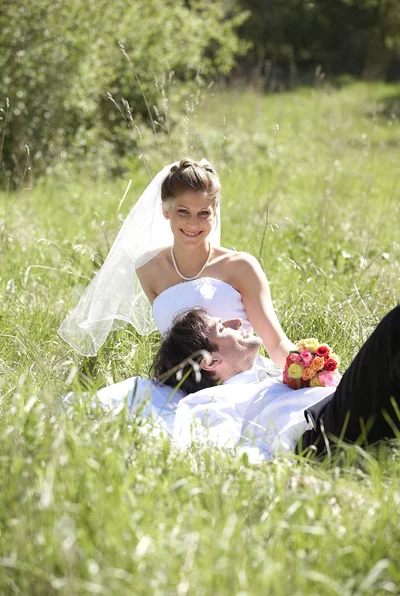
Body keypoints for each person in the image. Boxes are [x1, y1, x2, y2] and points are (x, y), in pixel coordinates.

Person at [58, 158, 294, 368]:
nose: (193, 224)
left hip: (241, 378)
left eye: (204, 213)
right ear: (166, 210)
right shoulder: (148, 269)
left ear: (215, 213)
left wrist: (308, 369)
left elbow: (275, 343)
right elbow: (174, 345)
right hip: (182, 385)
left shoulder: (241, 266)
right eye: (183, 212)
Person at [151, 306, 400, 458]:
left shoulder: (270, 373)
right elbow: (216, 450)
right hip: (320, 433)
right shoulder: (211, 401)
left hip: (346, 409)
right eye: (222, 327)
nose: (236, 322)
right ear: (210, 361)